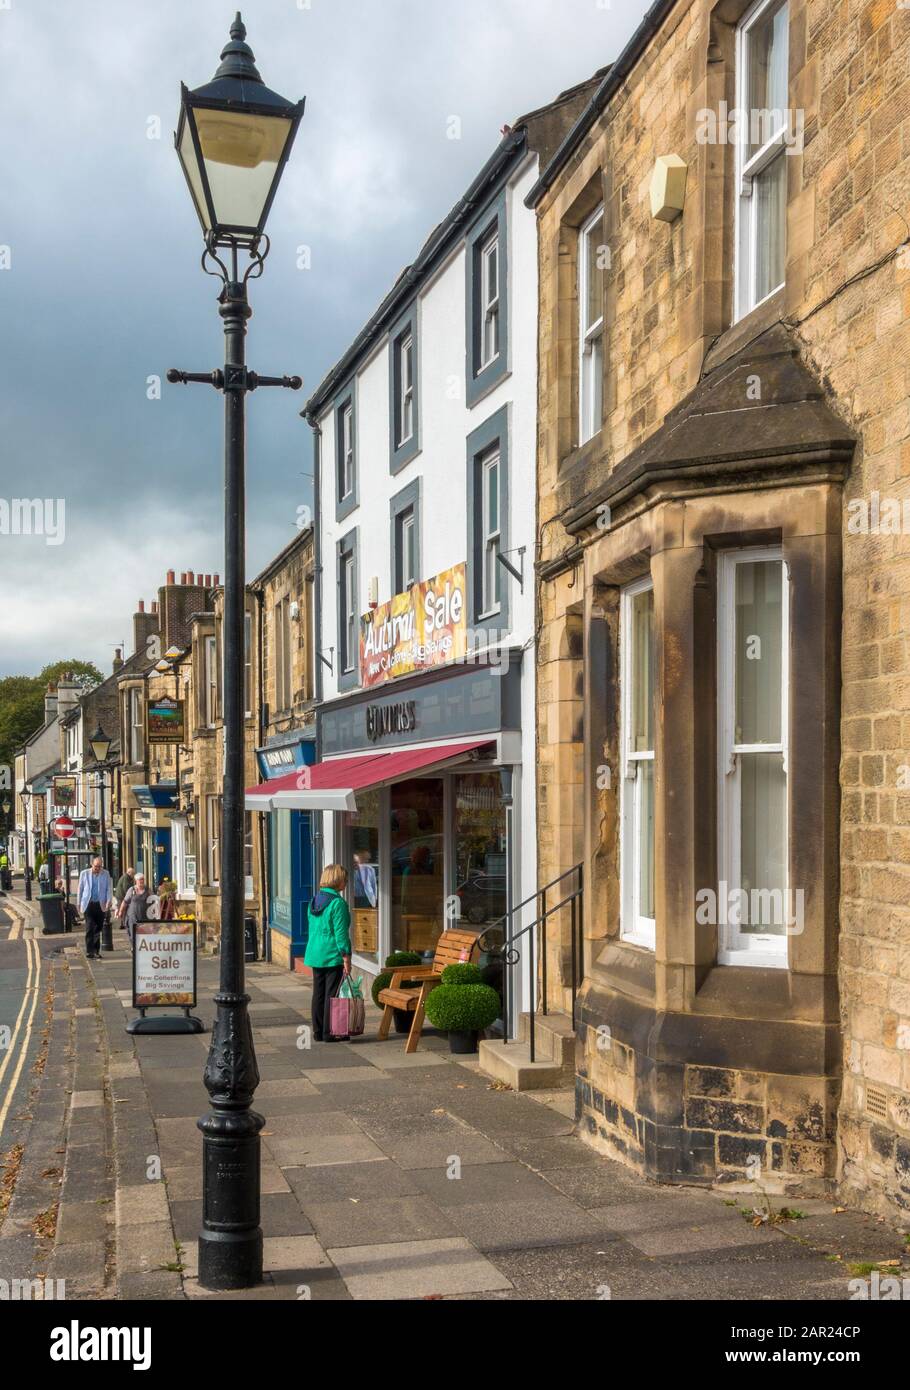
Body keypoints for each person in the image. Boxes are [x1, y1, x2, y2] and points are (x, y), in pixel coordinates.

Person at [304, 864, 352, 1042]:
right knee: (332, 994)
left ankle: (318, 1032)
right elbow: (341, 934)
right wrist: (346, 958)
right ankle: (329, 1033)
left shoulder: (314, 900)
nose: (346, 883)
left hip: (315, 952)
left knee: (319, 993)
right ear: (337, 880)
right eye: (344, 879)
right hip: (332, 954)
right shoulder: (338, 903)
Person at [77, 856, 113, 961]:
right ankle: (89, 951)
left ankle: (96, 951)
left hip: (100, 904)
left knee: (98, 928)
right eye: (96, 866)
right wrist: (78, 903)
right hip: (88, 904)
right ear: (92, 864)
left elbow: (108, 889)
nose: (98, 868)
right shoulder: (84, 873)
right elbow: (80, 889)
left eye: (100, 866)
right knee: (89, 928)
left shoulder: (105, 874)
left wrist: (109, 901)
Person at [117, 873, 153, 943]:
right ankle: (134, 949)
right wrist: (120, 912)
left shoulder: (148, 890)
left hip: (144, 917)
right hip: (133, 916)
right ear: (136, 881)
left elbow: (154, 899)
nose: (141, 881)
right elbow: (125, 901)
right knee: (133, 934)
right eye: (140, 880)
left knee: (144, 934)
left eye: (142, 879)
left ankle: (142, 949)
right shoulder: (132, 890)